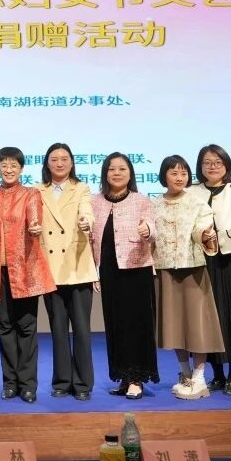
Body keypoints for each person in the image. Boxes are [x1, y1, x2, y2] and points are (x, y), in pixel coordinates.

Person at [0, 147, 50, 403]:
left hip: (25, 272)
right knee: (5, 326)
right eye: (4, 165)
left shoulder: (31, 195)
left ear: (21, 169)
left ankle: (28, 385)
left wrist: (36, 228)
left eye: (14, 166)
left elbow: (35, 221)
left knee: (27, 327)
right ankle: (10, 383)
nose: (9, 170)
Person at [153, 155, 222, 400]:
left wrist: (204, 235)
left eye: (183, 173)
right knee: (174, 326)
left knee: (197, 325)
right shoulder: (153, 205)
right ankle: (185, 373)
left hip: (192, 269)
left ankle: (200, 378)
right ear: (164, 176)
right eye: (174, 173)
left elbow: (200, 229)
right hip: (165, 270)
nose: (179, 177)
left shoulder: (198, 204)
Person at [191, 144, 231, 396]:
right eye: (207, 162)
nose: (212, 167)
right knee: (209, 318)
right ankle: (216, 375)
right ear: (200, 166)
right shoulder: (191, 192)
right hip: (202, 260)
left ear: (226, 166)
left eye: (218, 162)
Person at [91, 153, 158, 400]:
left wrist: (147, 230)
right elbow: (90, 239)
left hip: (136, 270)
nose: (117, 173)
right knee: (115, 325)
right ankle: (123, 376)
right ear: (105, 173)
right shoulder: (94, 202)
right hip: (108, 270)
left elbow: (153, 229)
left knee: (136, 325)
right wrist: (93, 272)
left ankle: (136, 378)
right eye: (112, 169)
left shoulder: (142, 201)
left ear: (130, 173)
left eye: (122, 169)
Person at [36, 143, 96, 401]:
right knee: (58, 329)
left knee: (82, 329)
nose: (59, 163)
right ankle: (61, 381)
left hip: (77, 266)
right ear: (47, 163)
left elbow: (87, 212)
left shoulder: (81, 188)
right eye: (54, 159)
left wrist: (87, 222)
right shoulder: (37, 190)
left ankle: (82, 383)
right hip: (50, 268)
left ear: (72, 162)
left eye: (64, 159)